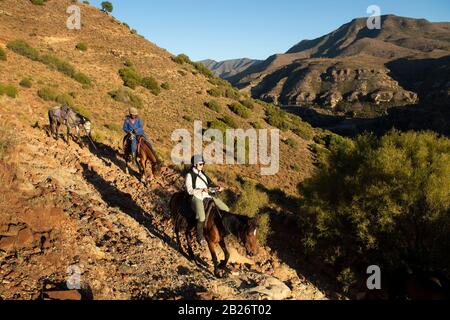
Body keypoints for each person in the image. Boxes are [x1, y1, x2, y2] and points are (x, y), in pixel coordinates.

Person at [185, 155, 230, 244]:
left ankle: (220, 230)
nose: (202, 165)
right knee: (201, 216)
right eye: (201, 164)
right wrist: (201, 190)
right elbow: (189, 190)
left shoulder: (203, 174)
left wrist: (218, 188)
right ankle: (200, 237)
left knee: (226, 209)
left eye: (203, 164)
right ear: (195, 164)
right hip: (196, 196)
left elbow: (210, 184)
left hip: (208, 195)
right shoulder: (189, 175)